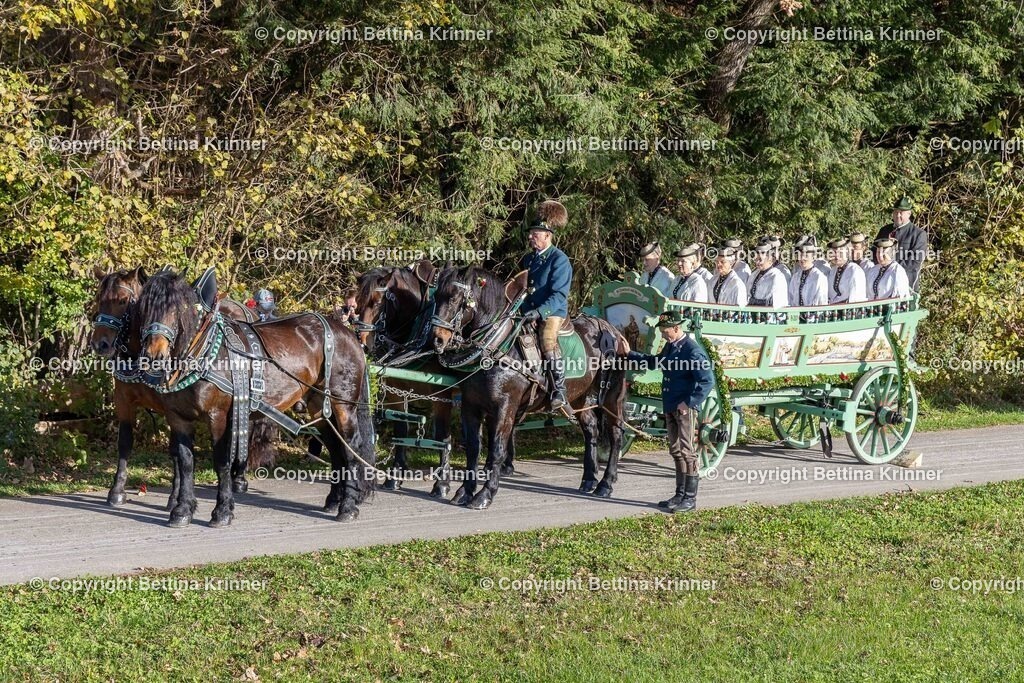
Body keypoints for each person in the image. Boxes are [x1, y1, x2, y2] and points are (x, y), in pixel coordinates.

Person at [621, 310, 715, 513]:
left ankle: (690, 499)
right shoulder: (672, 347)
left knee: (687, 452)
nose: (663, 334)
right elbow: (656, 363)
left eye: (665, 331)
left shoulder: (692, 351)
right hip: (671, 406)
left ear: (676, 328)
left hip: (683, 410)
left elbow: (707, 381)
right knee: (675, 450)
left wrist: (688, 403)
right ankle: (679, 494)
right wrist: (630, 354)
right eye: (662, 331)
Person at [520, 200, 573, 410]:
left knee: (547, 339)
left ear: (547, 235)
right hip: (527, 310)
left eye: (535, 233)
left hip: (552, 311)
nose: (531, 237)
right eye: (531, 233)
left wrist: (540, 312)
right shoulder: (528, 259)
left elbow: (560, 295)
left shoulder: (559, 260)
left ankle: (559, 390)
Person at [875, 197, 928, 291]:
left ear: (909, 214)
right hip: (882, 285)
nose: (898, 215)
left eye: (901, 212)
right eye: (896, 212)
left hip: (906, 285)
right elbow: (873, 252)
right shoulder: (884, 230)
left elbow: (915, 261)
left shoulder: (918, 234)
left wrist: (891, 265)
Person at [789, 235, 828, 321]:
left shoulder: (819, 277)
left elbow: (820, 302)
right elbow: (791, 298)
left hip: (813, 319)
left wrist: (810, 318)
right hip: (796, 318)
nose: (802, 258)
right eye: (800, 255)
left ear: (813, 257)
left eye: (806, 255)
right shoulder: (796, 276)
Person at [746, 236, 789, 308]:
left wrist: (753, 302)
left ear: (770, 258)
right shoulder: (754, 274)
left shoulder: (777, 276)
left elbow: (775, 303)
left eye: (760, 259)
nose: (757, 262)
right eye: (756, 259)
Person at [826, 237, 866, 305]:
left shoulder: (855, 270)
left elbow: (855, 299)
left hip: (849, 311)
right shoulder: (833, 270)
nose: (837, 256)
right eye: (834, 252)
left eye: (840, 253)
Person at [710, 241, 748, 306]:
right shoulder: (713, 280)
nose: (719, 264)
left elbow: (740, 308)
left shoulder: (737, 284)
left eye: (722, 262)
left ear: (731, 263)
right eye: (717, 262)